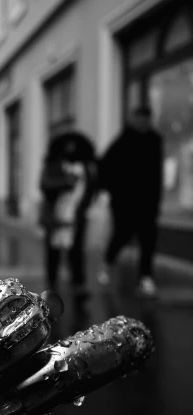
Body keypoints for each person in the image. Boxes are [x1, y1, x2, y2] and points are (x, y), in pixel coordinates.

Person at [97, 105, 163, 297]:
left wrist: (157, 199)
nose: (142, 122)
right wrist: (110, 191)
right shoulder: (122, 141)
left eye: (146, 118)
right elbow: (105, 166)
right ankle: (107, 263)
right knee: (121, 236)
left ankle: (146, 277)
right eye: (139, 118)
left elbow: (156, 173)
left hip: (148, 201)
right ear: (133, 119)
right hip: (124, 202)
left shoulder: (155, 140)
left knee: (148, 240)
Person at [39, 130, 99, 304]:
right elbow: (44, 185)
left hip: (77, 215)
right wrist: (66, 182)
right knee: (53, 251)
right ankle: (51, 286)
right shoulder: (52, 164)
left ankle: (78, 284)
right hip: (55, 215)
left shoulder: (87, 165)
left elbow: (92, 186)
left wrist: (86, 205)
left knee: (77, 251)